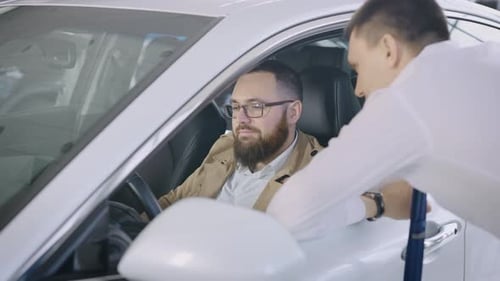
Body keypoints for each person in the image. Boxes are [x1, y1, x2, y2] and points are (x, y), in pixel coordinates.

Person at [267, 0, 500, 240]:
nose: (357, 89)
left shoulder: (408, 98)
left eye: (358, 67)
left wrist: (380, 204)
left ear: (389, 49)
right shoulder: (486, 57)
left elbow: (289, 214)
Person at [155, 60, 416, 223]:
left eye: (256, 107)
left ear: (293, 112)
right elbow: (171, 202)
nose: (241, 120)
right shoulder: (226, 147)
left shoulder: (321, 168)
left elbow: (397, 191)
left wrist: (376, 204)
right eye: (235, 107)